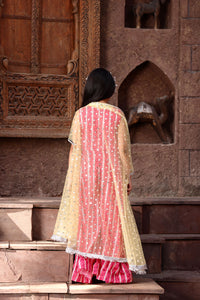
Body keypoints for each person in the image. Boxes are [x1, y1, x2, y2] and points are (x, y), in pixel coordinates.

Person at [51, 68, 147, 283]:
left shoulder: (81, 114)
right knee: (112, 221)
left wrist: (74, 179)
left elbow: (75, 150)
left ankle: (85, 272)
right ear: (109, 89)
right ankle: (109, 273)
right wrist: (128, 177)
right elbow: (123, 150)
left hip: (86, 175)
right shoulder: (116, 115)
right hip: (111, 177)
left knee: (88, 221)